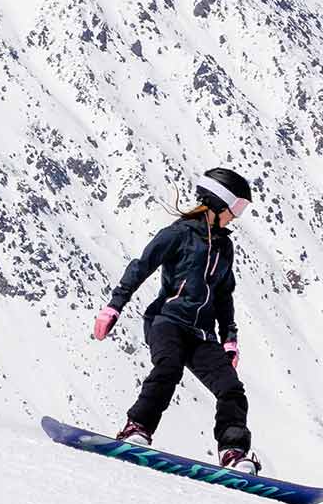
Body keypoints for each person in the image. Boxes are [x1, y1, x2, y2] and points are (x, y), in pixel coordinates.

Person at [92, 168, 260, 473]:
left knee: (231, 388)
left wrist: (229, 338)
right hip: (166, 321)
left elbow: (224, 295)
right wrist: (113, 307)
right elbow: (140, 267)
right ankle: (136, 428)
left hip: (201, 334)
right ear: (219, 202)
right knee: (168, 369)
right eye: (236, 208)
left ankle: (233, 451)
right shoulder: (179, 234)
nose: (237, 216)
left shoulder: (224, 246)